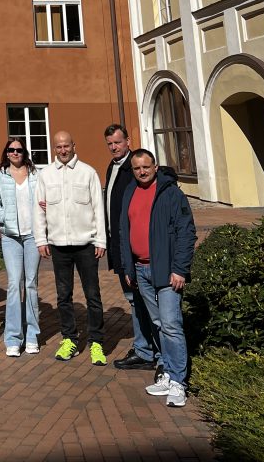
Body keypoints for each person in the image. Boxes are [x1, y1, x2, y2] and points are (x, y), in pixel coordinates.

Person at [120, 149, 196, 408]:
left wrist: (180, 269)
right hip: (140, 270)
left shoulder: (170, 193)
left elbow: (186, 232)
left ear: (155, 167)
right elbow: (124, 230)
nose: (142, 171)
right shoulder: (130, 191)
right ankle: (167, 370)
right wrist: (128, 267)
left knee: (171, 325)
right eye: (137, 168)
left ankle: (178, 382)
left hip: (166, 270)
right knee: (157, 323)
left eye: (146, 167)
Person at [33, 130, 107, 365]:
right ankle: (69, 339)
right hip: (59, 246)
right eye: (58, 146)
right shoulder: (46, 175)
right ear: (54, 148)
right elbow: (39, 210)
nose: (63, 150)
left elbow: (98, 208)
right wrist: (41, 240)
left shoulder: (88, 173)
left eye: (66, 146)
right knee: (63, 296)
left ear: (74, 146)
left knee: (92, 295)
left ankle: (96, 342)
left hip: (86, 245)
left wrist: (101, 240)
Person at [103, 124, 157, 371]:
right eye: (110, 144)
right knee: (133, 299)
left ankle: (148, 351)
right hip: (119, 246)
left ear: (128, 141)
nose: (114, 147)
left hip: (133, 248)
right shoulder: (113, 166)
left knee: (141, 300)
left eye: (118, 142)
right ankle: (145, 348)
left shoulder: (133, 167)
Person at [0, 139, 41, 357]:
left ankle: (32, 336)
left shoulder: (36, 174)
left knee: (31, 284)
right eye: (11, 150)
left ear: (24, 152)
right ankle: (13, 338)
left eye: (19, 150)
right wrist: (5, 219)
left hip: (32, 236)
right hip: (10, 238)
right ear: (7, 153)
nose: (15, 153)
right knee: (13, 284)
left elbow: (44, 200)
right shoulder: (0, 175)